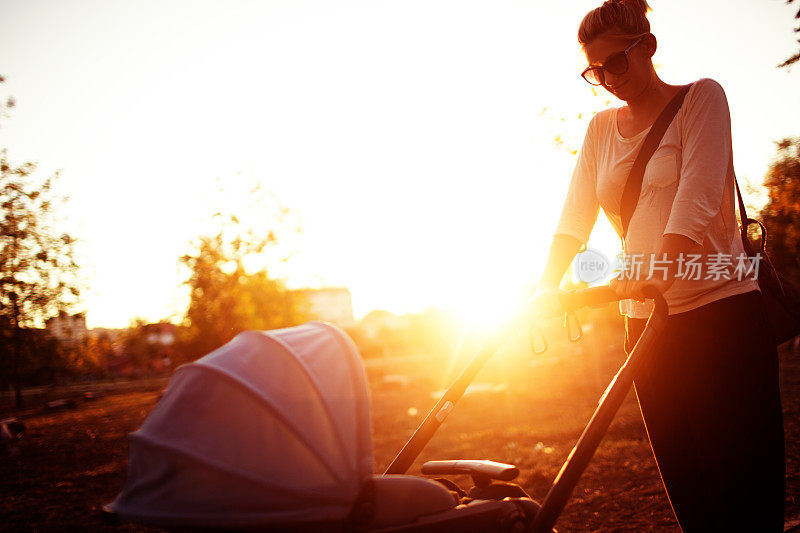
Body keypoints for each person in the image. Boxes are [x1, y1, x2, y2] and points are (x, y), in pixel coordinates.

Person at [532, 0, 786, 530]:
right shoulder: (601, 129)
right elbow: (573, 217)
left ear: (647, 46)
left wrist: (653, 270)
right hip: (647, 323)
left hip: (720, 316)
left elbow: (693, 203)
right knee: (687, 481)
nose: (606, 80)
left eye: (616, 64)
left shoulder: (702, 99)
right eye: (594, 71)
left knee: (741, 481)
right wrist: (542, 290)